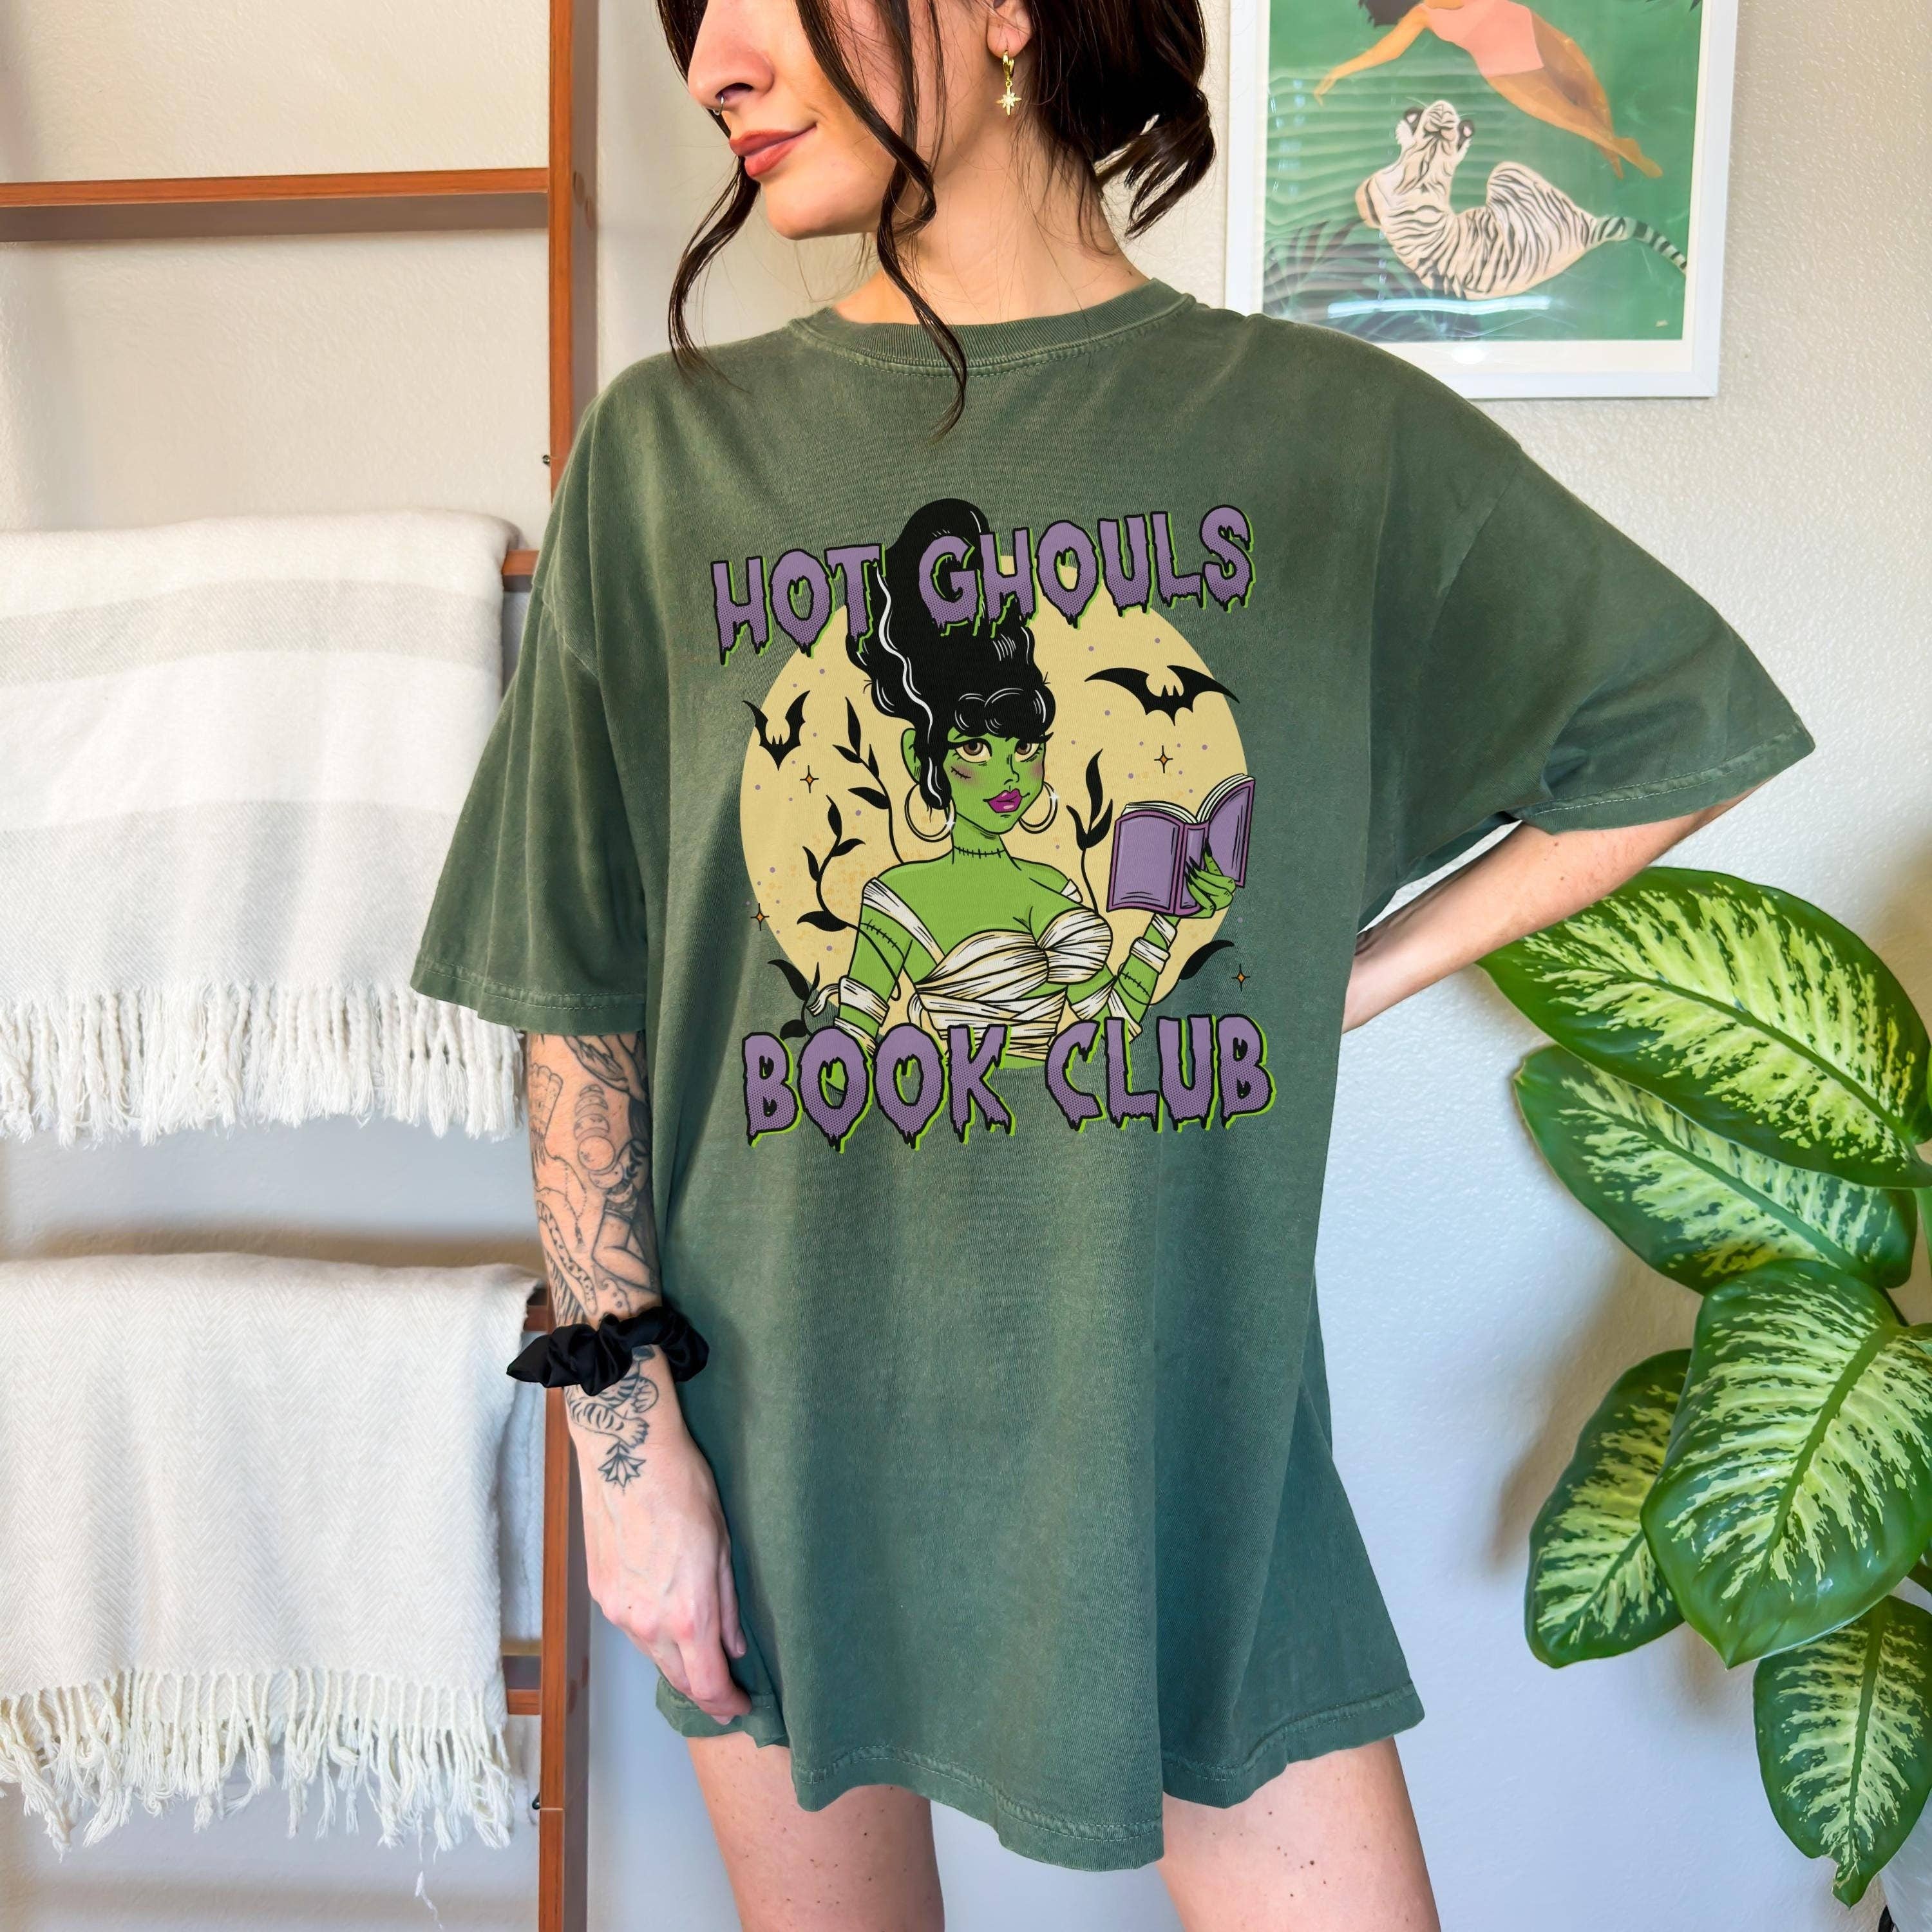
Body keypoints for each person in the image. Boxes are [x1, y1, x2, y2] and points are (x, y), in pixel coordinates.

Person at [411, 1, 1812, 1925]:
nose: (713, 59)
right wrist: (624, 1447)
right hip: (776, 1449)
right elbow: (573, 988)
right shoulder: (668, 458)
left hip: (1183, 1448)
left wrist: (1344, 973)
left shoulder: (1320, 435)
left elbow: (1676, 729)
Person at [1316, 0, 1663, 178]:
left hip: (1528, 28)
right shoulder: (1421, 15)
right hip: (1506, 69)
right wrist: (1339, 71)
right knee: (1572, 119)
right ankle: (1621, 150)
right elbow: (1383, 52)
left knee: (1590, 90)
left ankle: (1613, 150)